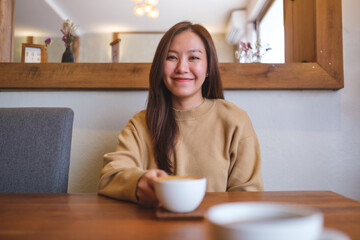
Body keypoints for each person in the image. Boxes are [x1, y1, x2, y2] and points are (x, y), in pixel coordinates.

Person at [98, 21, 263, 207]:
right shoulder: (140, 124)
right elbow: (110, 176)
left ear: (208, 67)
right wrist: (139, 182)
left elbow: (248, 195)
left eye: (193, 57)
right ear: (160, 66)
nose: (182, 68)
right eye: (171, 57)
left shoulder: (235, 120)